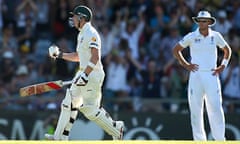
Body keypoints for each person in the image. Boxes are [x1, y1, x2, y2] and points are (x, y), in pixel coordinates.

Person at [45, 5, 124, 140]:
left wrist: (85, 75)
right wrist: (59, 55)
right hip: (82, 74)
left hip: (93, 75)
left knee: (90, 110)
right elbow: (78, 56)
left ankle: (116, 128)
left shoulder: (91, 33)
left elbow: (95, 57)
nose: (73, 19)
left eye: (75, 16)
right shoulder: (81, 34)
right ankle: (59, 137)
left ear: (82, 18)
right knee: (68, 103)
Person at [172, 11, 232, 140]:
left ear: (210, 22)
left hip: (211, 75)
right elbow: (176, 49)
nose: (202, 23)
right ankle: (200, 141)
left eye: (204, 20)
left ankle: (220, 140)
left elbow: (227, 49)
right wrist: (185, 64)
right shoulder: (192, 36)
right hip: (196, 75)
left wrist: (223, 65)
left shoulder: (216, 36)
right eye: (200, 20)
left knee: (215, 108)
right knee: (195, 110)